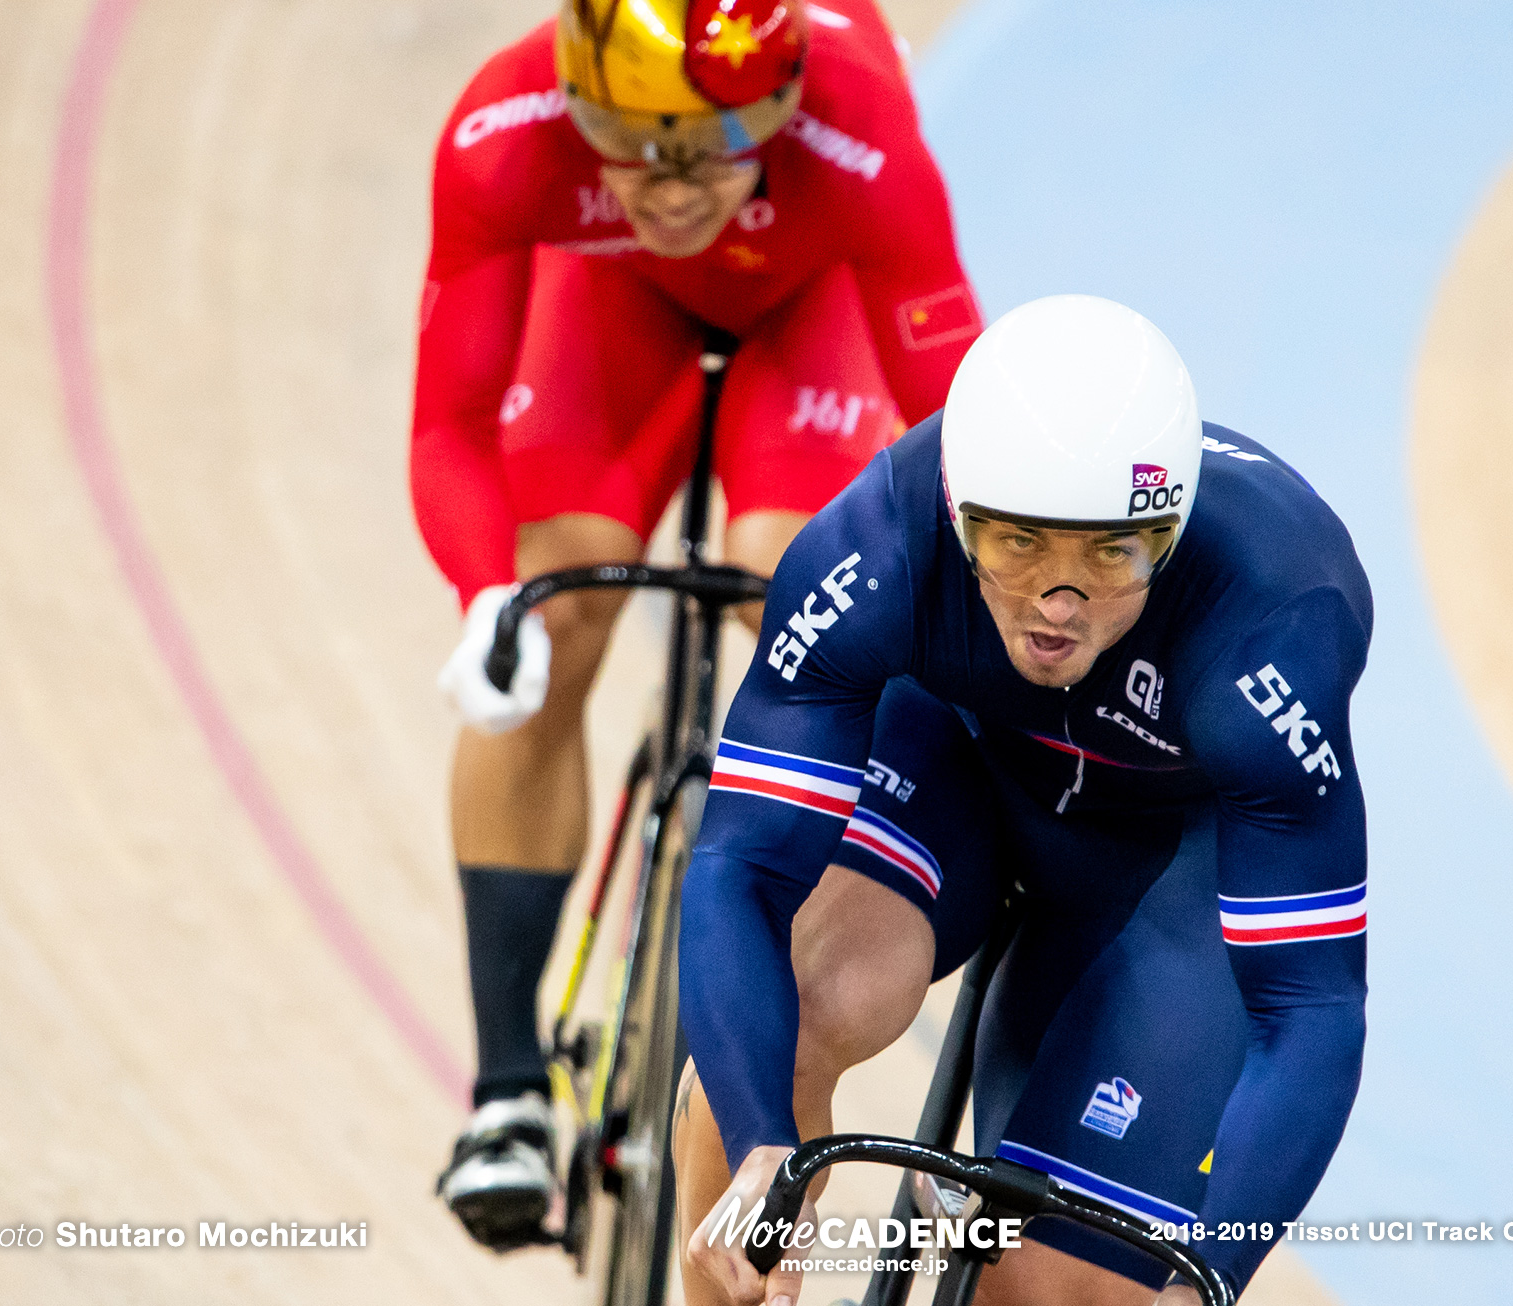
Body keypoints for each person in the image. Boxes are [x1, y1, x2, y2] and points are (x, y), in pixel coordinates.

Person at [413, 0, 981, 1251]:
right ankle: (507, 1091)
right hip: (608, 312)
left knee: (790, 577)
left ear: (782, 105)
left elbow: (956, 421)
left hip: (806, 311)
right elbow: (448, 423)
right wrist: (483, 598)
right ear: (573, 96)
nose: (669, 185)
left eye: (715, 141)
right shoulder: (508, 127)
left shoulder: (856, 121)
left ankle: (779, 960)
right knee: (555, 606)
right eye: (627, 137)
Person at [675, 295, 1372, 1304]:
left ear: (1169, 532)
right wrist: (754, 1148)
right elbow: (737, 866)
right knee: (795, 1019)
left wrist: (1210, 1277)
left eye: (1111, 553)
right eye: (1018, 546)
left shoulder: (1267, 624)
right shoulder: (877, 544)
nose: (1058, 599)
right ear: (957, 513)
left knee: (1049, 1285)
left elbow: (1309, 1006)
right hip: (959, 759)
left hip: (1172, 859)